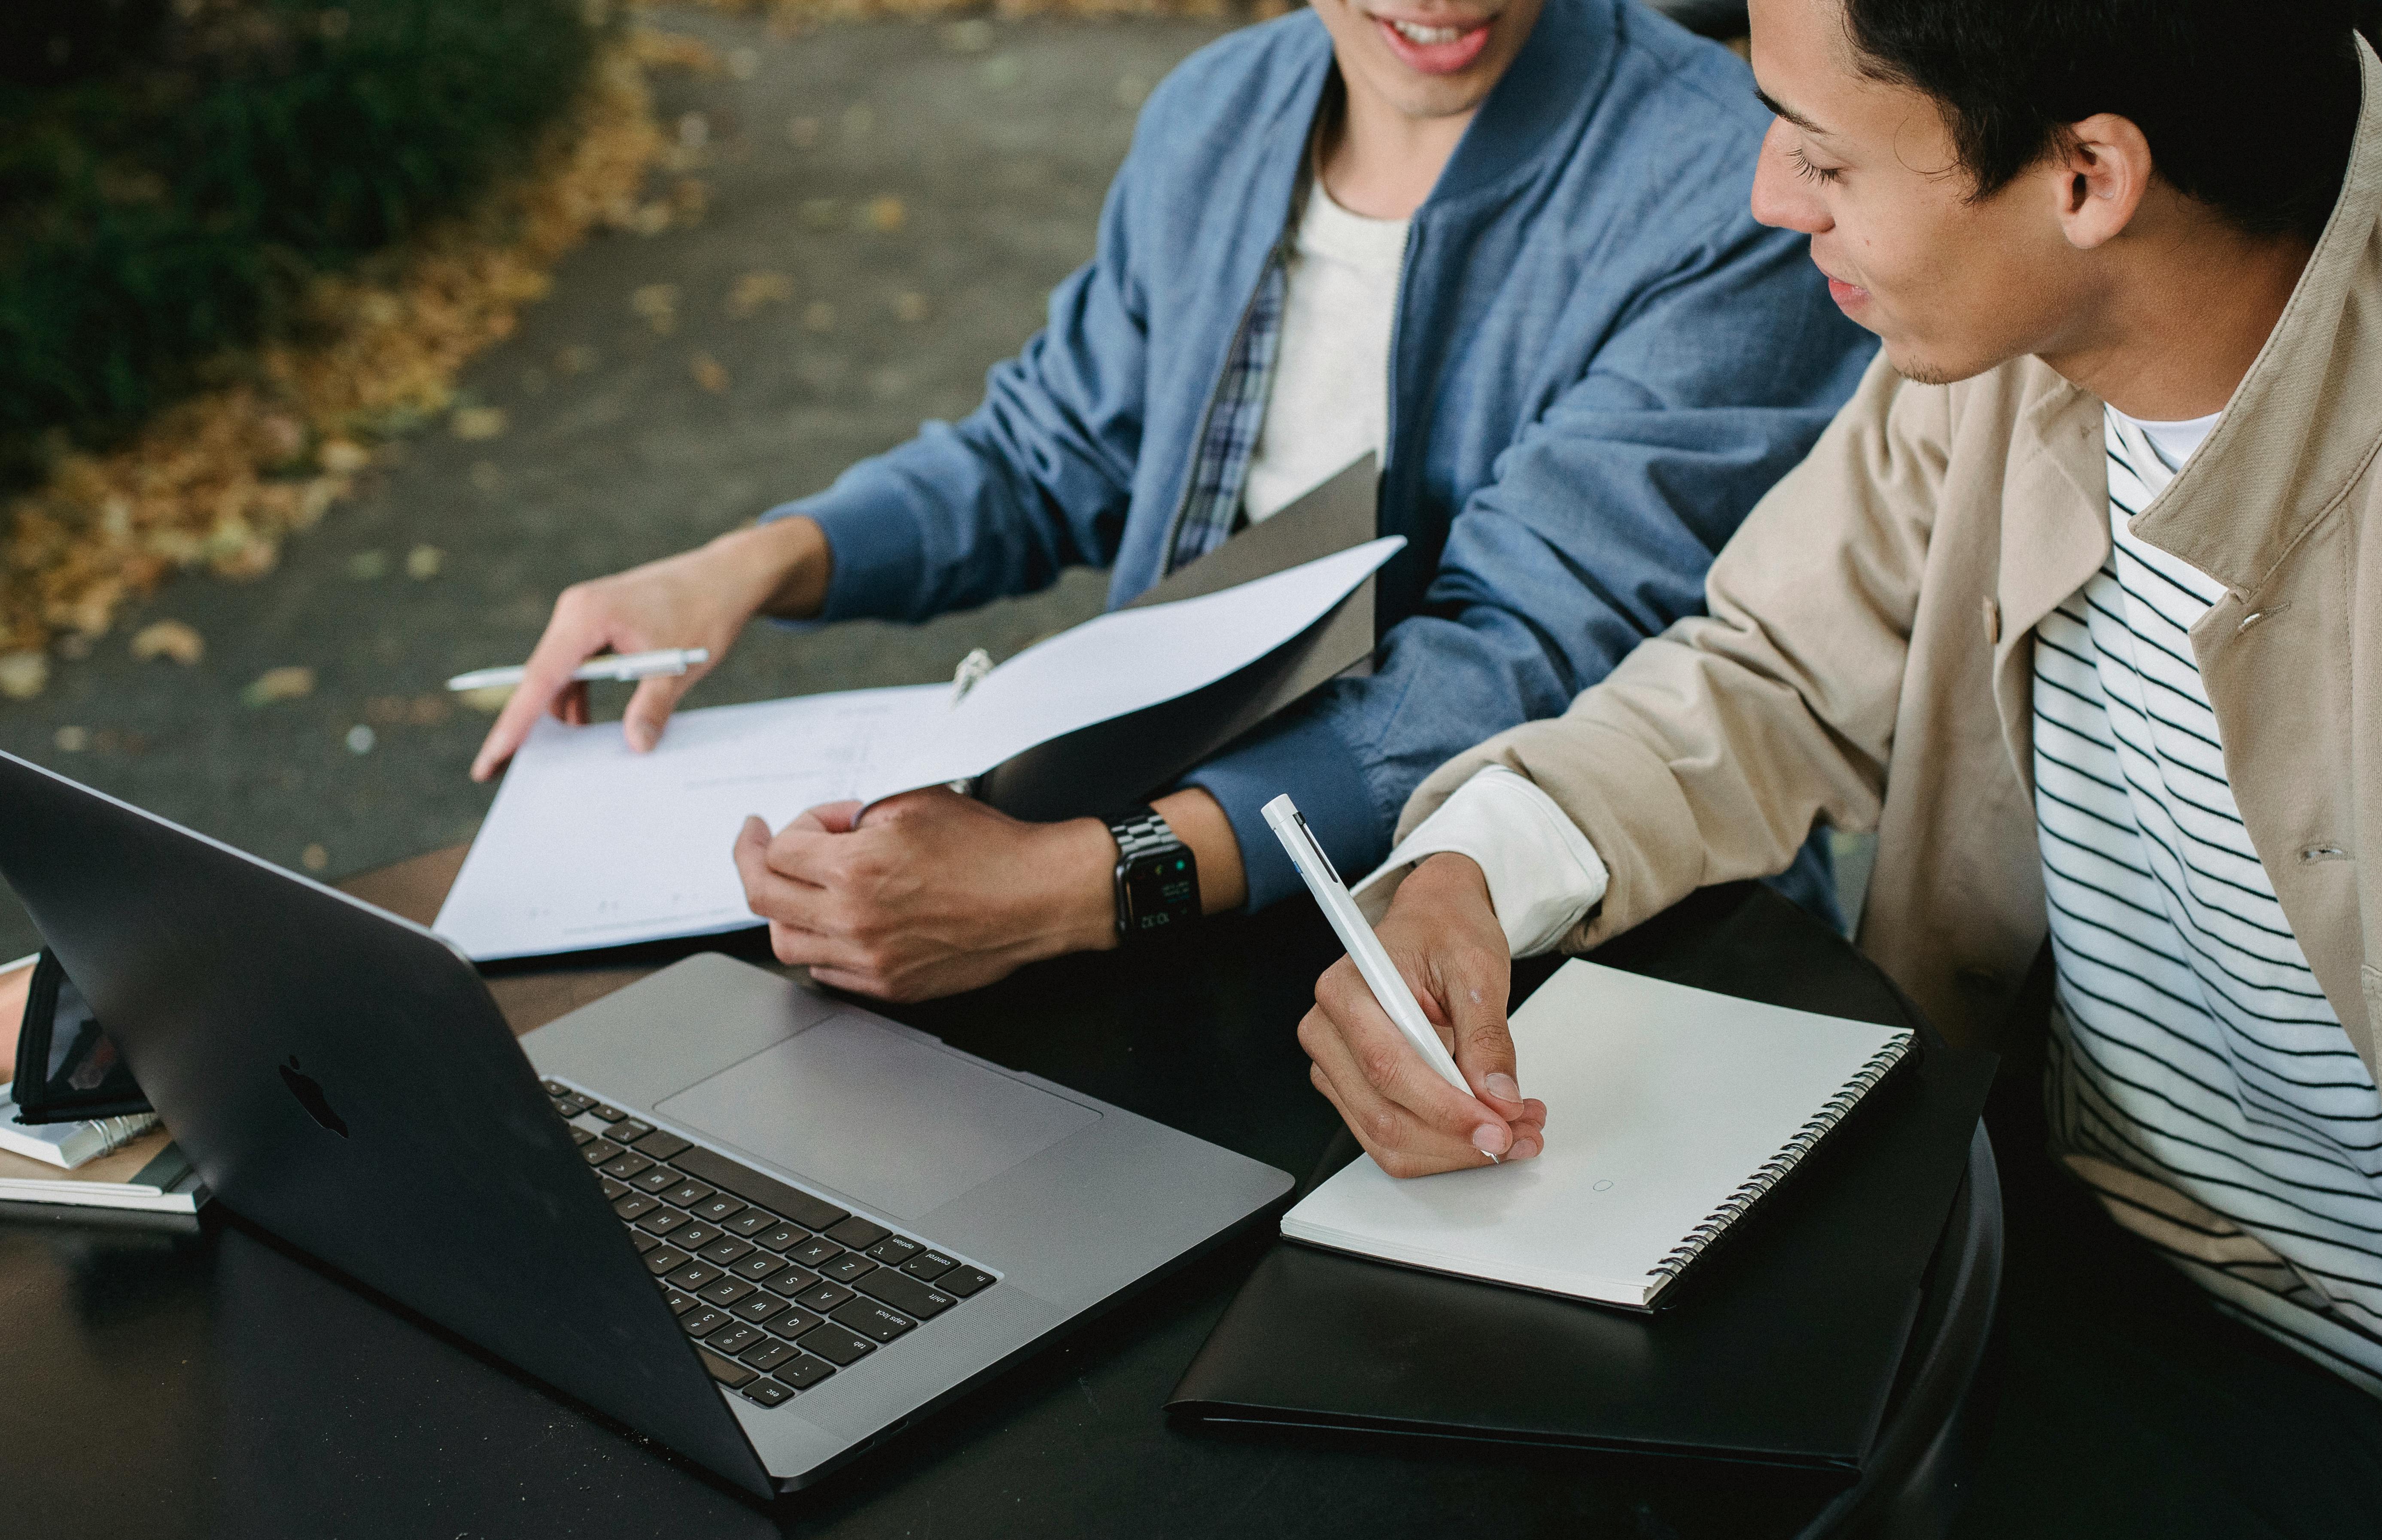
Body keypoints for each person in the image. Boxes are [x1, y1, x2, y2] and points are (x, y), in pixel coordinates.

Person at [1293, 0, 2382, 1540]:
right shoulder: (2017, 351)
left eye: (1827, 154)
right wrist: (1468, 869)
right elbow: (1767, 671)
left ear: (2089, 176)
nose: (1768, 196)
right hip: (2029, 1259)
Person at [467, 0, 1876, 1001]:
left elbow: (1527, 654)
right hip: (1144, 867)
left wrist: (1075, 883)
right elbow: (1051, 450)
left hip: (1534, 940)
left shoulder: (1725, 188)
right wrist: (751, 564)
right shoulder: (1219, 113)